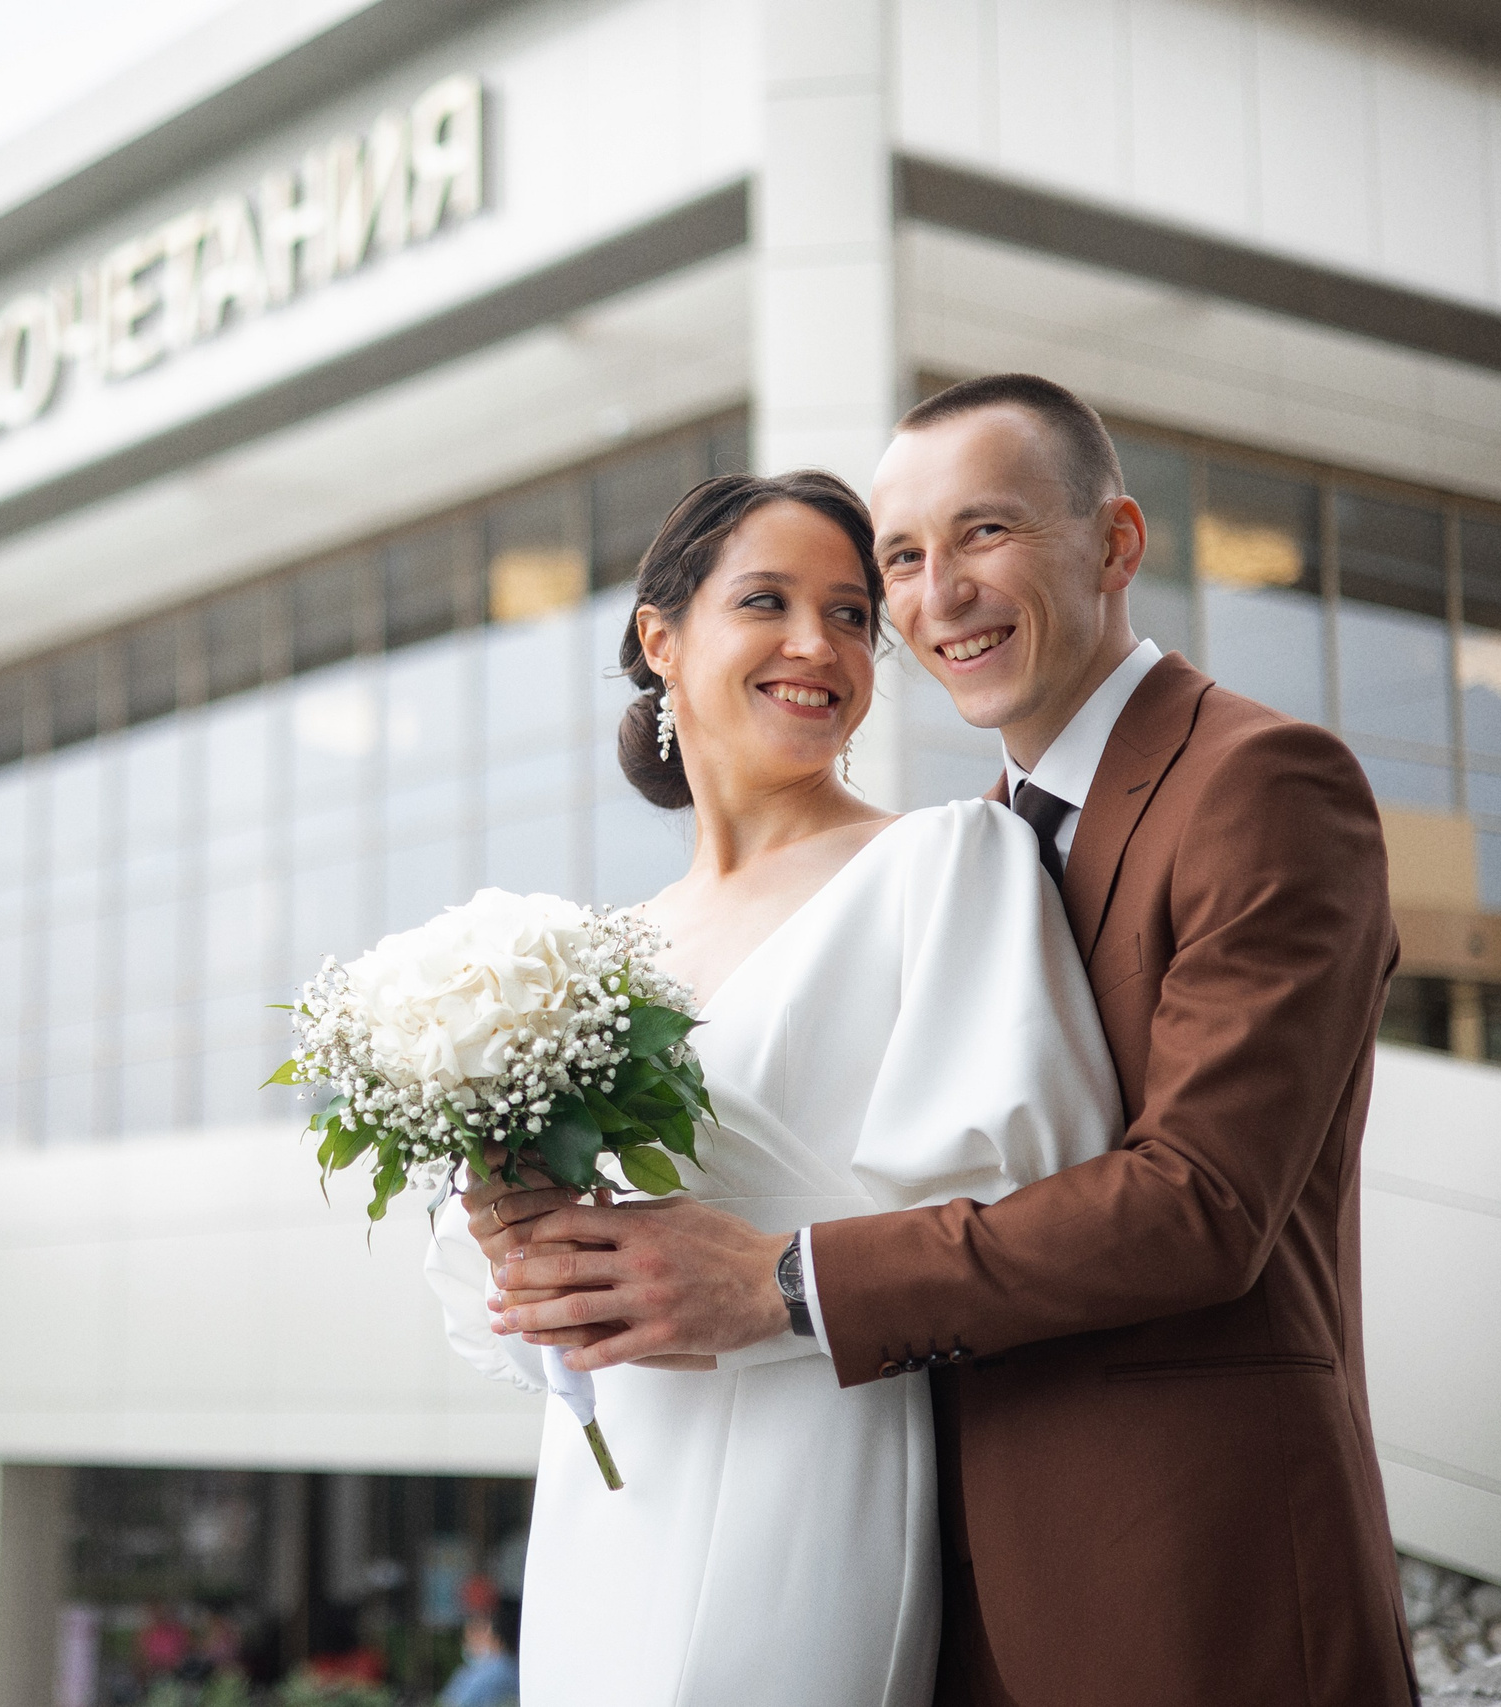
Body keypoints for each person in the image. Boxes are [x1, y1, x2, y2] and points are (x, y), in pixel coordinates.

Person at [489, 374, 1418, 1705]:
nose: (936, 596)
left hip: (1195, 1568)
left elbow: (1203, 1201)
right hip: (941, 1568)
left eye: (984, 534)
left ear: (1114, 543)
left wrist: (783, 1284)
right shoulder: (994, 829)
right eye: (906, 559)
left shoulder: (1260, 781)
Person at [424, 468, 1122, 1704]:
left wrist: (771, 1275)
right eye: (768, 601)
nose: (820, 644)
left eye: (853, 614)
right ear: (661, 638)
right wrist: (517, 1244)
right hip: (603, 1501)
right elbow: (521, 1331)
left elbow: (1045, 1200)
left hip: (813, 1468)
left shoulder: (942, 860)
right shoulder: (596, 955)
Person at [437, 1599, 523, 1707]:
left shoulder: (495, 1672)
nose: (468, 1643)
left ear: (495, 1637)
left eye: (476, 1636)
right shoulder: (469, 1672)